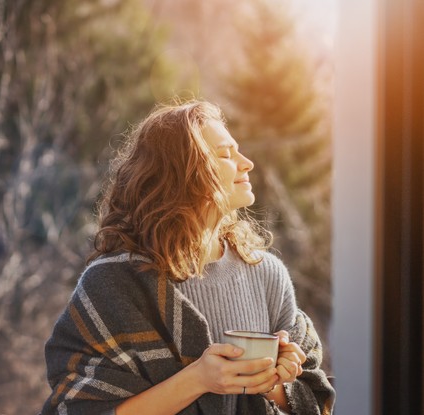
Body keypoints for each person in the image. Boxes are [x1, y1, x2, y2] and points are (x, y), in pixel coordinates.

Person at [40, 101, 335, 414]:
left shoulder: (267, 274)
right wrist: (199, 379)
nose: (247, 163)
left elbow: (313, 399)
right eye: (226, 154)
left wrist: (276, 381)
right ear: (181, 172)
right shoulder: (113, 284)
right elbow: (76, 409)